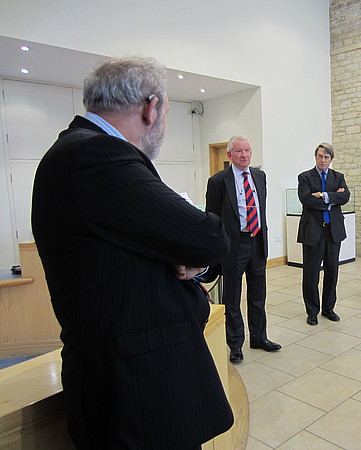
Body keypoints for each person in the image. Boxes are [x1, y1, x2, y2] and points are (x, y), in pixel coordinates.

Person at [31, 57, 234, 449]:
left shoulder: (78, 151)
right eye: (167, 113)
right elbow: (210, 236)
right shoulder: (97, 156)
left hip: (129, 380)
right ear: (151, 107)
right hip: (136, 391)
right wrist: (193, 250)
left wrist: (190, 255)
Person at [205, 135, 281, 362]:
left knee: (258, 294)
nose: (245, 155)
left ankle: (259, 337)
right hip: (233, 246)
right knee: (232, 297)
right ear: (229, 155)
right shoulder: (218, 181)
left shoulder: (260, 176)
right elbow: (212, 218)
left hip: (257, 241)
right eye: (239, 151)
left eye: (247, 150)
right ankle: (235, 344)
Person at [297, 142, 350, 325]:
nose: (323, 160)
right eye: (320, 156)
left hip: (333, 231)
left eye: (326, 157)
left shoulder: (338, 177)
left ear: (331, 159)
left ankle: (328, 308)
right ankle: (312, 311)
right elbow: (306, 200)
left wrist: (322, 195)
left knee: (332, 271)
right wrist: (332, 198)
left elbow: (345, 197)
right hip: (313, 231)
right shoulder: (305, 177)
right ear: (316, 157)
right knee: (311, 273)